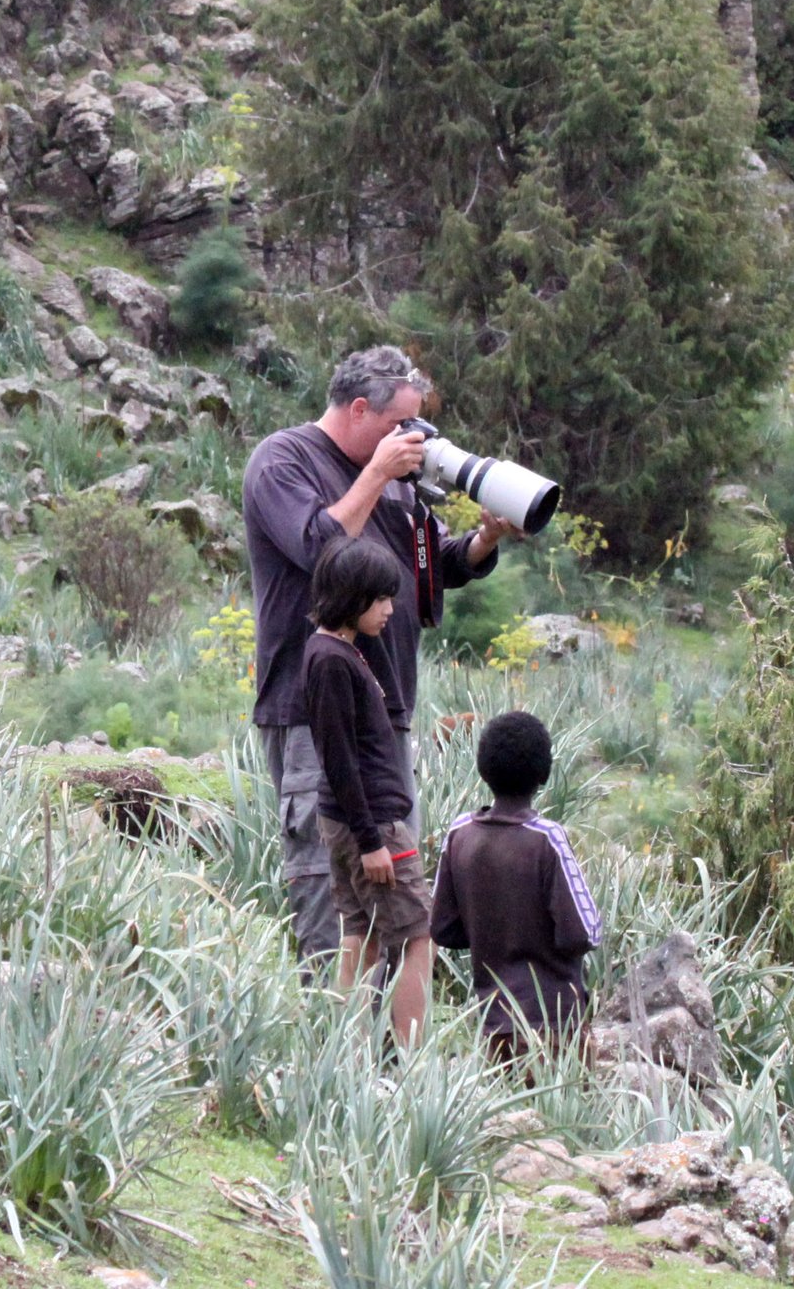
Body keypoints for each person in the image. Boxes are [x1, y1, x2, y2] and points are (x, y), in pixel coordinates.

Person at [242, 345, 524, 967]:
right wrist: (375, 475)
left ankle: (389, 1029)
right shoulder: (283, 460)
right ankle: (330, 1021)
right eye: (401, 423)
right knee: (331, 884)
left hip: (388, 709)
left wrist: (485, 538)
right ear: (359, 409)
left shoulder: (398, 481)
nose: (413, 438)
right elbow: (318, 548)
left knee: (396, 887)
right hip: (313, 713)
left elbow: (432, 565)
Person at [303, 536, 433, 1046]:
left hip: (352, 822)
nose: (389, 610)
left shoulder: (334, 652)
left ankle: (348, 1056)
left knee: (364, 935)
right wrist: (372, 840)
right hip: (371, 824)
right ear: (352, 597)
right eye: (380, 599)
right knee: (419, 936)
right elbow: (339, 758)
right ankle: (413, 1062)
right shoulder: (332, 661)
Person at [430, 711, 602, 1059]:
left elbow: (443, 929)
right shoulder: (547, 838)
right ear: (543, 774)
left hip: (494, 1032)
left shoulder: (460, 834)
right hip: (556, 1030)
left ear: (483, 770)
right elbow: (584, 933)